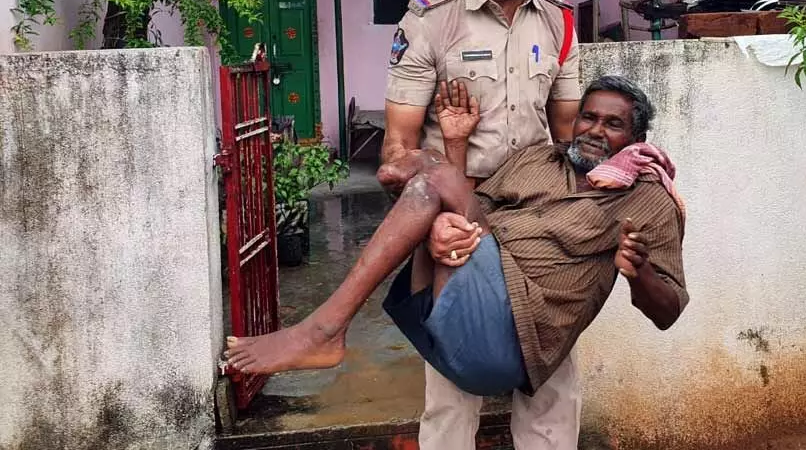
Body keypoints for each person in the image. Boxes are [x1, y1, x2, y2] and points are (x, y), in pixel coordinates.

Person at [225, 76, 689, 420]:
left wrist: (640, 273)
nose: (594, 129)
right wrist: (443, 217)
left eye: (613, 124)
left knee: (433, 178)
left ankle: (324, 329)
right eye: (588, 116)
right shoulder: (537, 159)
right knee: (435, 192)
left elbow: (668, 311)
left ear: (637, 139)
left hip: (518, 335)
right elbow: (472, 209)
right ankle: (328, 326)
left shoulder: (647, 198)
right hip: (468, 301)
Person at [380, 0, 583, 449]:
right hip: (458, 218)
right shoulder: (430, 20)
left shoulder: (559, 22)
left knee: (550, 385)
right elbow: (397, 150)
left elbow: (569, 139)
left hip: (540, 227)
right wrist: (432, 222)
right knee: (451, 391)